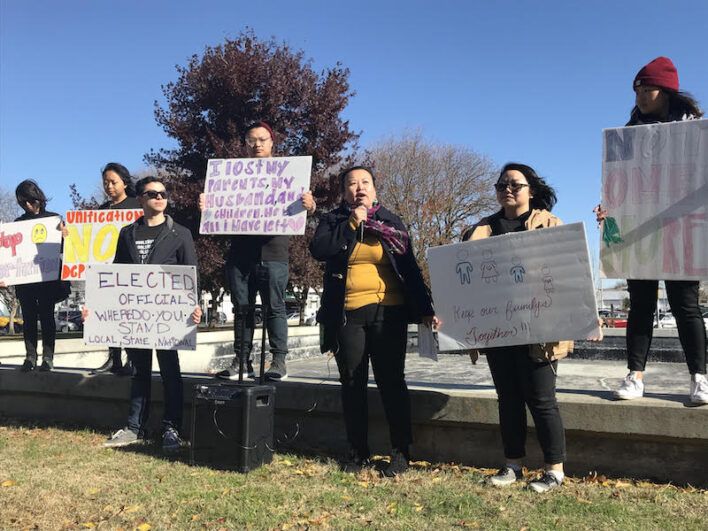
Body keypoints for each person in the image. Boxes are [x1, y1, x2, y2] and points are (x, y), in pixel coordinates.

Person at [309, 166, 438, 477]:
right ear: (344, 193)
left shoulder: (392, 222)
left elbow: (409, 269)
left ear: (375, 190)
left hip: (388, 313)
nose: (359, 188)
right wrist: (352, 223)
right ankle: (357, 452)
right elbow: (320, 250)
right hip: (347, 314)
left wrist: (425, 308)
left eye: (365, 182)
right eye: (352, 184)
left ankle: (400, 452)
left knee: (391, 382)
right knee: (352, 383)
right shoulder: (334, 221)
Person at [596, 57, 707, 404]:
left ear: (667, 90)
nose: (641, 96)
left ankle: (699, 378)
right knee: (640, 305)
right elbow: (621, 184)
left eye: (648, 89)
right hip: (638, 232)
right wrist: (609, 210)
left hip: (681, 232)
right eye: (638, 90)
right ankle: (635, 376)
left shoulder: (696, 131)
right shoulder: (629, 134)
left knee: (684, 303)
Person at [462, 163, 576, 493]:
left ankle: (554, 469)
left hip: (540, 330)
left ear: (532, 190)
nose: (507, 189)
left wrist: (581, 318)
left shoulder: (550, 225)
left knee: (541, 400)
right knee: (508, 399)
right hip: (496, 329)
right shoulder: (479, 230)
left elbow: (568, 277)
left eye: (515, 184)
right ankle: (512, 465)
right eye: (501, 185)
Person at [84, 176, 202, 452]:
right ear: (141, 200)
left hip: (168, 321)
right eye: (152, 193)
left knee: (170, 372)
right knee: (139, 372)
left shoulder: (180, 233)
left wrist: (194, 306)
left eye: (163, 193)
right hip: (136, 318)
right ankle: (135, 426)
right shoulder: (127, 233)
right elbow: (115, 275)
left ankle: (171, 427)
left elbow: (191, 274)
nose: (160, 197)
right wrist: (96, 305)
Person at [200, 121, 315, 381]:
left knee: (275, 307)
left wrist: (311, 205)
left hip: (274, 254)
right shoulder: (232, 177)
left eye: (262, 139)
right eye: (252, 140)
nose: (257, 144)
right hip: (240, 255)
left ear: (272, 142)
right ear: (244, 144)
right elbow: (218, 210)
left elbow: (305, 207)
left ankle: (278, 361)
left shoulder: (289, 174)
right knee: (242, 309)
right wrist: (207, 206)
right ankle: (242, 362)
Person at [5, 180, 67, 372]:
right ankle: (30, 356)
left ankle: (48, 357)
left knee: (47, 317)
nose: (28, 206)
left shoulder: (54, 219)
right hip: (26, 281)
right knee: (29, 318)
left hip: (47, 278)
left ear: (38, 197)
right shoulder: (17, 224)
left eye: (31, 201)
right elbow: (10, 255)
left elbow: (64, 249)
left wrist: (65, 236)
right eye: (23, 203)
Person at [89, 162, 140, 376]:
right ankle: (114, 357)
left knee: (130, 316)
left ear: (125, 182)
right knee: (111, 315)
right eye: (105, 183)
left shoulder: (137, 205)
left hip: (131, 270)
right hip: (107, 271)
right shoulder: (102, 210)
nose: (109, 186)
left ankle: (133, 359)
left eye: (113, 182)